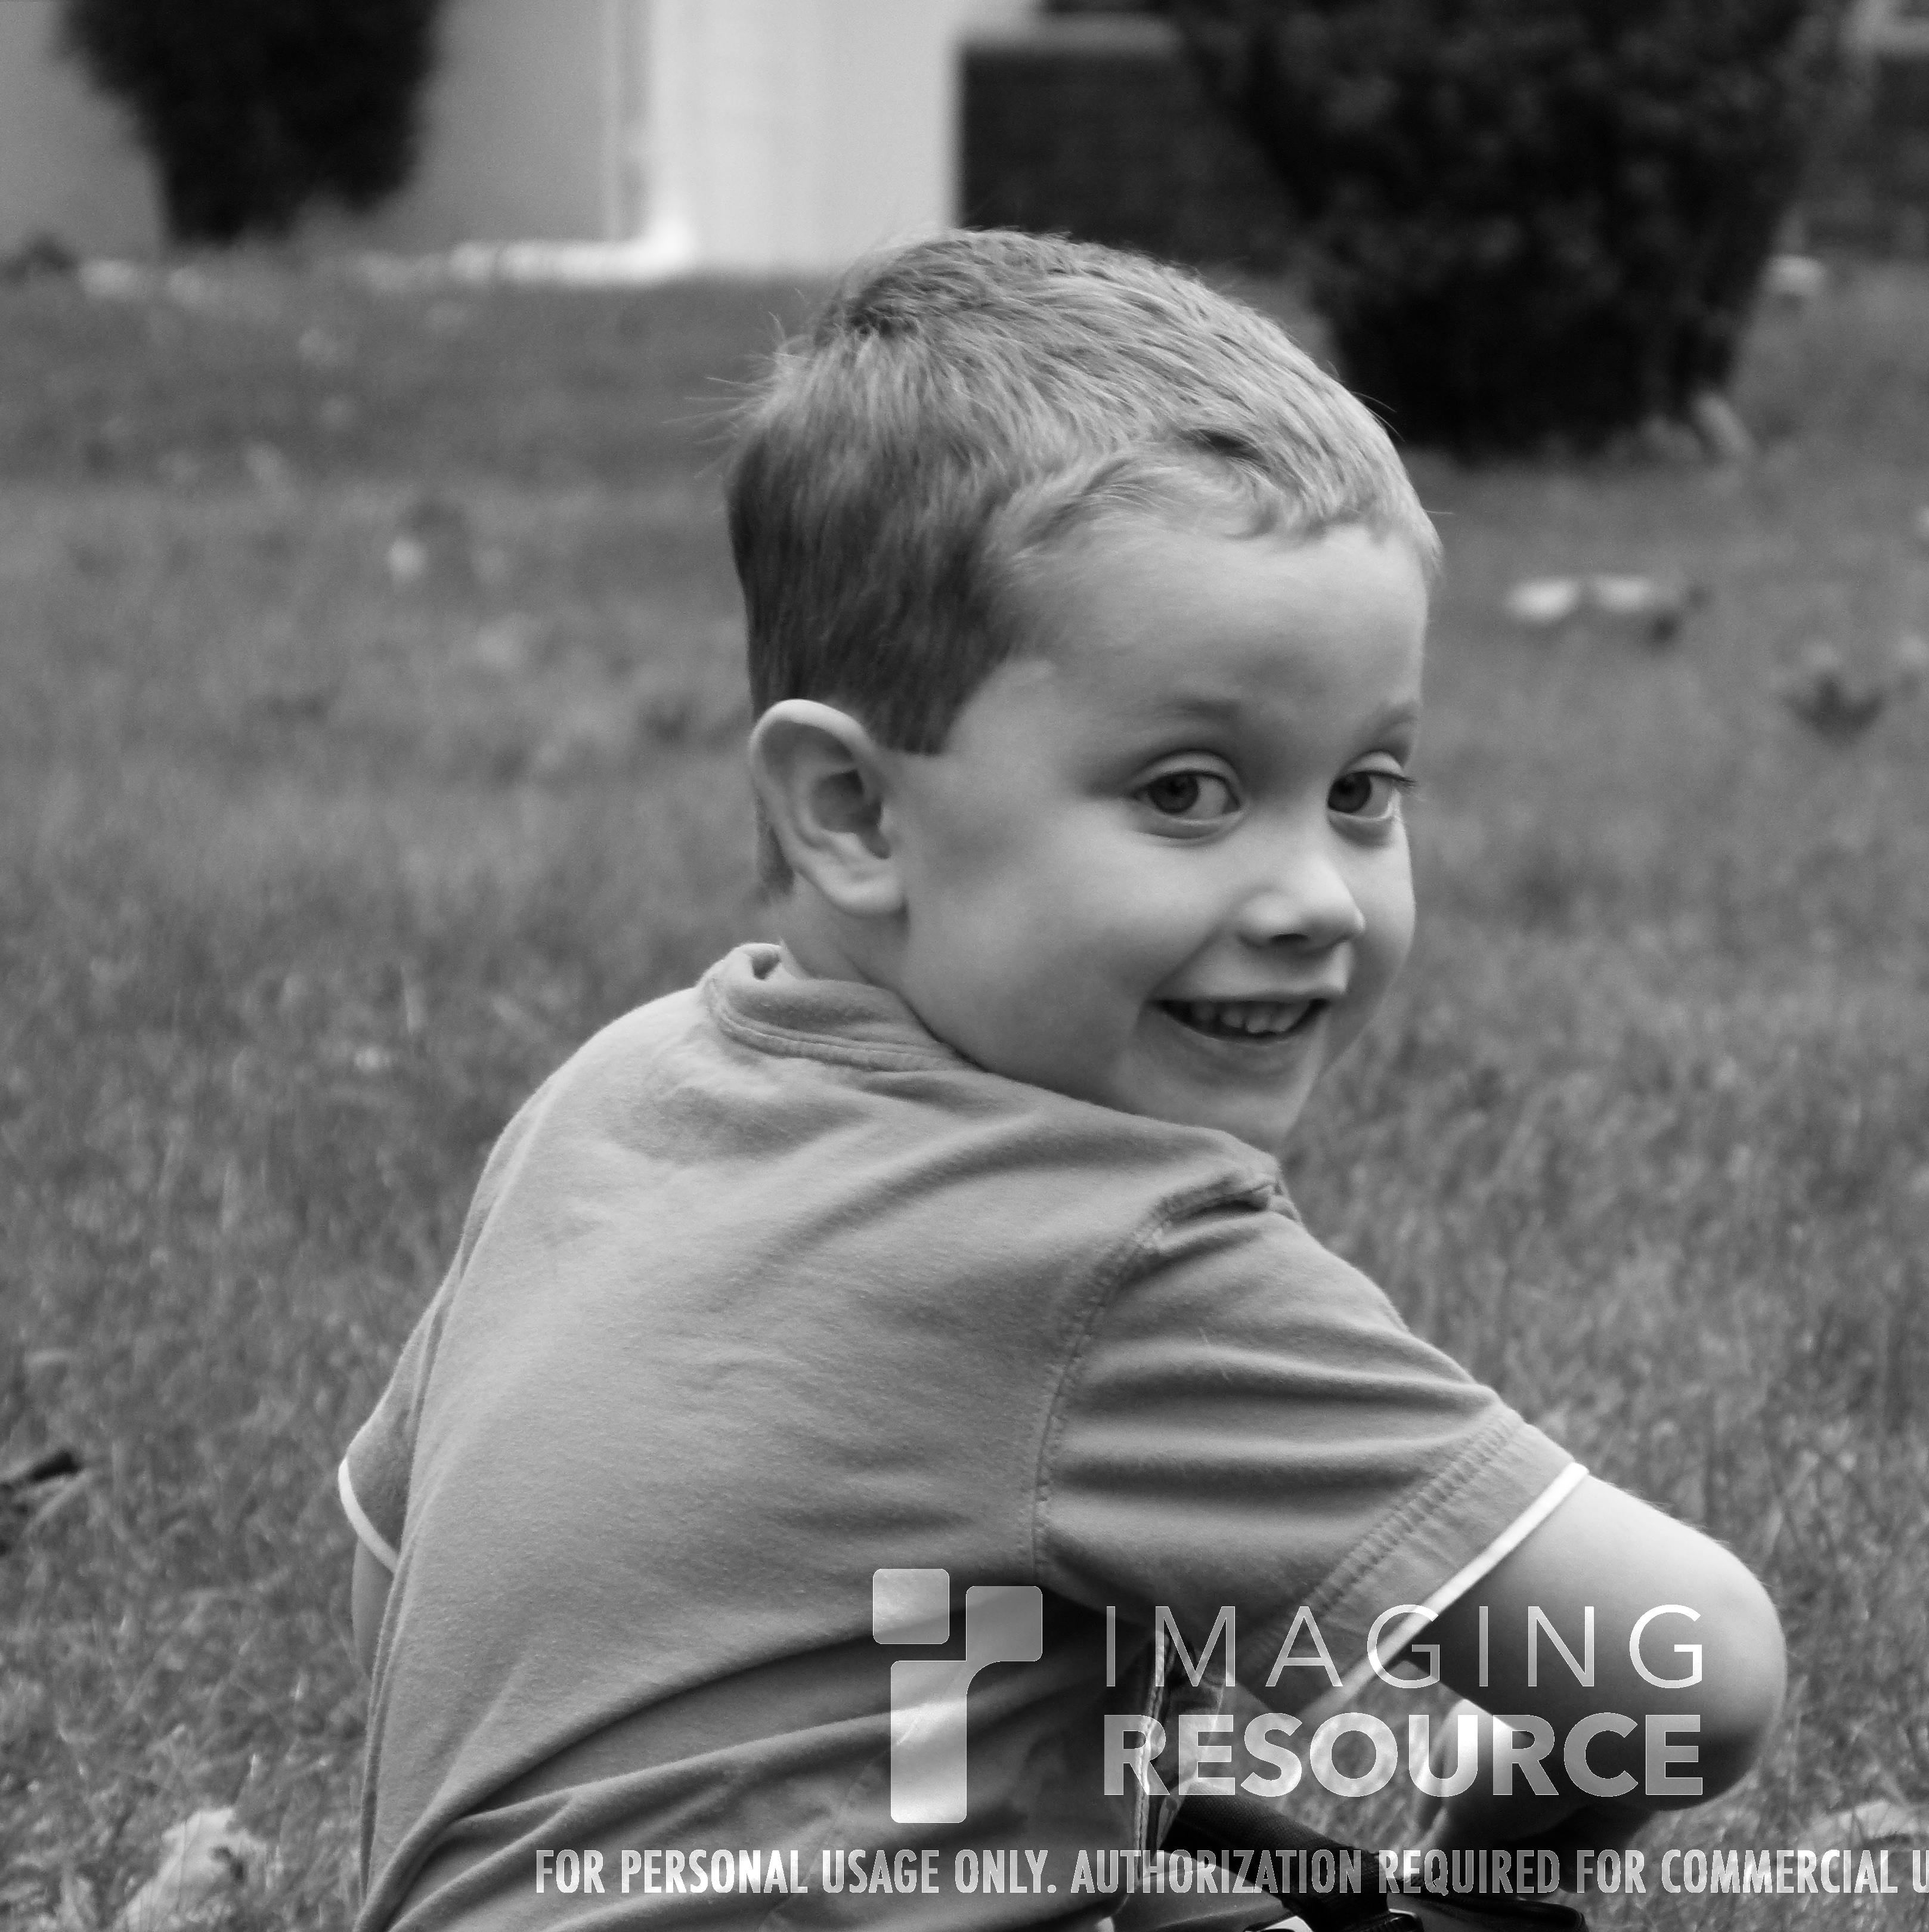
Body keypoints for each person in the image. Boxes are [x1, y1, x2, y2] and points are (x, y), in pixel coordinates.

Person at [339, 230, 1784, 1932]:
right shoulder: (1114, 1255)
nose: (1316, 899)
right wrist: (1477, 1876)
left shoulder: (615, 1096)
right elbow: (1693, 1671)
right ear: (853, 812)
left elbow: (394, 1580)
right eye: (1186, 793)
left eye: (1364, 790)